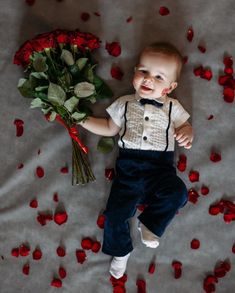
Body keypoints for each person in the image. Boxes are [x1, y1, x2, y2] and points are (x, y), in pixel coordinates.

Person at [79, 42, 194, 279]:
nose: (148, 79)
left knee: (179, 192)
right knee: (114, 215)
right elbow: (109, 128)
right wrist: (81, 119)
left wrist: (187, 132)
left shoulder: (172, 107)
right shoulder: (124, 103)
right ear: (134, 73)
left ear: (170, 87)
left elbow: (184, 124)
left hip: (160, 170)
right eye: (143, 71)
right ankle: (120, 252)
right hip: (128, 170)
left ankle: (150, 224)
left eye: (158, 77)